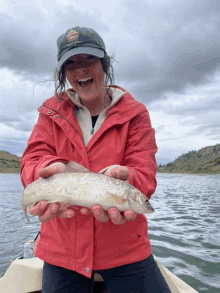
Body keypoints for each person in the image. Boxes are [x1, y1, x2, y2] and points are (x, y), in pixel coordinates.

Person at [20, 26, 171, 293]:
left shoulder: (135, 113)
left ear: (104, 64)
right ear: (64, 73)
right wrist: (44, 171)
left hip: (126, 246)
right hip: (62, 249)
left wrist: (129, 177)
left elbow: (144, 172)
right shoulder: (49, 112)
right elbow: (32, 159)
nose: (81, 69)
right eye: (71, 63)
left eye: (89, 59)